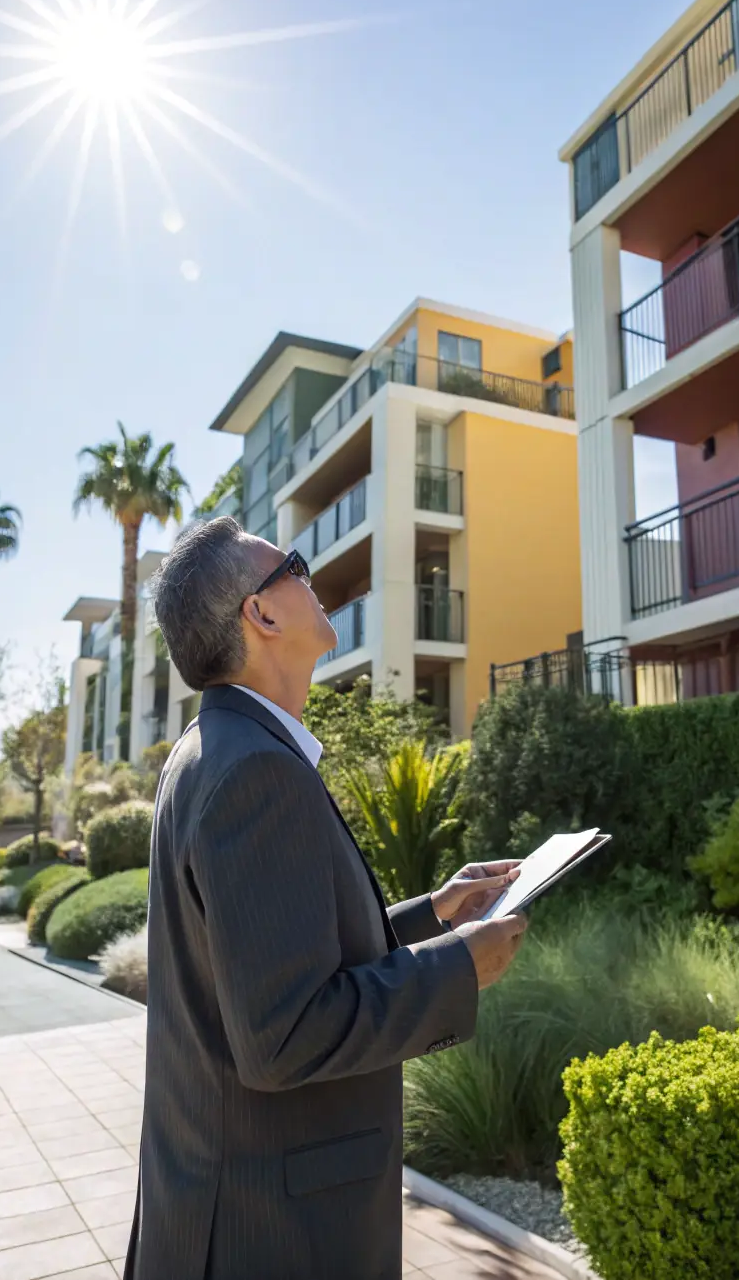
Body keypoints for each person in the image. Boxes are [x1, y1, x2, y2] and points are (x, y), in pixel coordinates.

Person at [124, 517, 527, 1280]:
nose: (316, 583)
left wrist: (434, 913)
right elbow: (284, 1034)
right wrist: (456, 969)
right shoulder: (254, 771)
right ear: (262, 614)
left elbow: (272, 958)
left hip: (232, 1206)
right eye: (297, 568)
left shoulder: (217, 752)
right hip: (271, 1230)